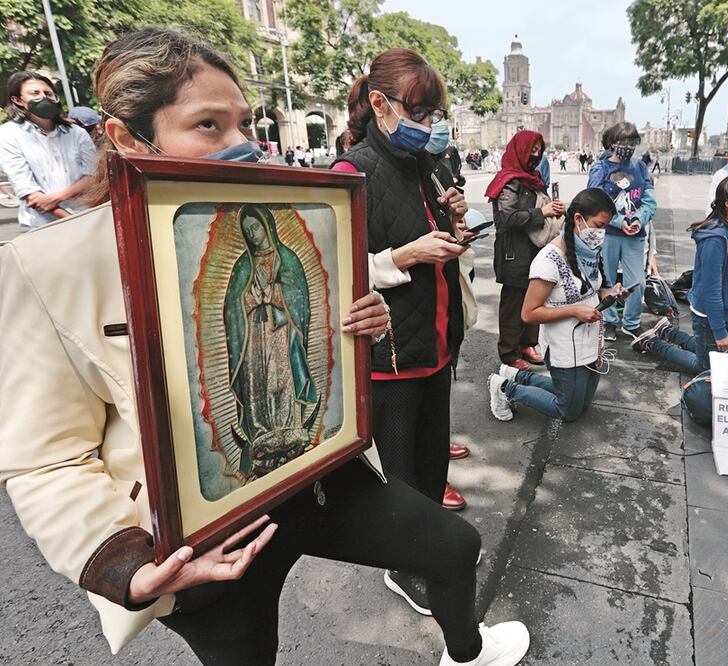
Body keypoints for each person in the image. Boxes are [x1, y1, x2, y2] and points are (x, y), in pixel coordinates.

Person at [0, 28, 528, 666]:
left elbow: (315, 345)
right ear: (125, 138)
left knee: (451, 546)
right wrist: (123, 563)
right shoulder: (48, 268)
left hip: (317, 477)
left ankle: (466, 651)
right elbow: (45, 458)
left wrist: (356, 329)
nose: (241, 144)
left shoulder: (293, 219)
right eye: (208, 125)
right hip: (206, 536)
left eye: (243, 122)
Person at [332, 48, 494, 609]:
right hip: (391, 352)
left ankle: (432, 550)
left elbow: (439, 247)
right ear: (380, 105)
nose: (431, 126)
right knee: (401, 473)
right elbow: (335, 272)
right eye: (420, 114)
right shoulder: (351, 171)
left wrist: (452, 228)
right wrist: (405, 257)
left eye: (434, 115)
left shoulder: (429, 166)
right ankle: (405, 568)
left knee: (432, 463)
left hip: (437, 342)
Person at [488, 189, 622, 422]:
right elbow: (529, 313)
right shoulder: (547, 261)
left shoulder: (588, 249)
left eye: (605, 227)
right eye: (598, 226)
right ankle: (503, 388)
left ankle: (517, 375)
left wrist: (610, 293)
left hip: (590, 341)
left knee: (582, 404)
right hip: (565, 346)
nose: (601, 233)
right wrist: (573, 310)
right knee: (567, 411)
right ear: (578, 219)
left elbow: (594, 286)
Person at [631, 174, 728, 373]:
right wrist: (719, 331)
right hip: (710, 314)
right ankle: (654, 343)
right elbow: (712, 290)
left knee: (718, 355)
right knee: (706, 367)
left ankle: (669, 332)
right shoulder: (715, 240)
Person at [486, 130, 564, 372]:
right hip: (513, 252)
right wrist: (543, 213)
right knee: (513, 304)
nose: (535, 155)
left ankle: (529, 344)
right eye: (531, 150)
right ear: (519, 150)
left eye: (539, 150)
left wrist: (554, 208)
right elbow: (507, 218)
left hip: (536, 250)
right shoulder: (508, 180)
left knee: (536, 298)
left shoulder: (534, 178)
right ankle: (509, 353)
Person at [587, 121, 657, 341]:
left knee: (637, 281)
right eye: (623, 141)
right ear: (612, 143)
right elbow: (594, 202)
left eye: (632, 142)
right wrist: (618, 222)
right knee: (606, 280)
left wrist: (638, 219)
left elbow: (649, 201)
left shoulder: (640, 167)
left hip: (635, 236)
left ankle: (631, 322)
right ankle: (608, 320)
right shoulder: (600, 169)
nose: (628, 146)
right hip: (607, 234)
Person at [0, 71, 96, 229]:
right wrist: (73, 222)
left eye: (48, 93)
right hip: (43, 227)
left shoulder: (76, 132)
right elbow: (29, 192)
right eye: (35, 93)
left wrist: (57, 198)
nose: (44, 97)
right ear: (17, 100)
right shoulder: (8, 135)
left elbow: (93, 176)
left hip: (87, 218)